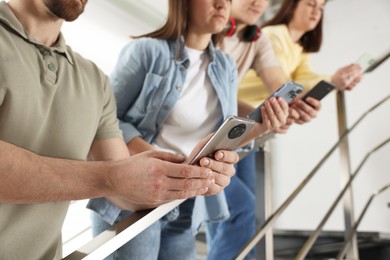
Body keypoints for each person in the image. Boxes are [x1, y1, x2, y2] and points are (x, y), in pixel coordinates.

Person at [0, 0, 241, 259]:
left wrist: (194, 175)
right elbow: (115, 176)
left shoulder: (94, 81)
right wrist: (109, 177)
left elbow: (127, 189)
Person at [88, 0, 289, 259]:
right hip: (133, 196)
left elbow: (222, 138)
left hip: (186, 200)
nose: (221, 5)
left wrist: (262, 125)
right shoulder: (146, 51)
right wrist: (160, 160)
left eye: (227, 0)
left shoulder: (225, 67)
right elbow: (106, 119)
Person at [206, 0, 362, 259]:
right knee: (242, 210)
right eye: (310, 4)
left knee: (235, 212)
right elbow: (282, 86)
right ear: (291, 6)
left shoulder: (270, 42)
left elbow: (293, 82)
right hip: (228, 126)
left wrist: (308, 97)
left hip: (247, 127)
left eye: (320, 8)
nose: (315, 12)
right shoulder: (272, 35)